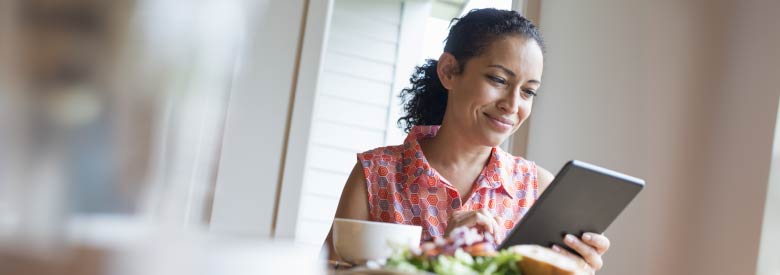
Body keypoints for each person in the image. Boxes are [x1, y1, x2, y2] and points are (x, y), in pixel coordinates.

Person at [324, 8, 610, 272]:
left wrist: (576, 268)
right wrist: (440, 256)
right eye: (498, 80)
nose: (512, 105)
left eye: (528, 92)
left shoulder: (539, 189)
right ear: (449, 71)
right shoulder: (376, 174)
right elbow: (329, 270)